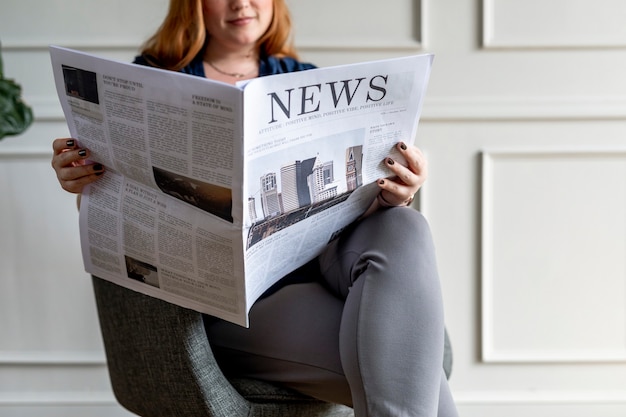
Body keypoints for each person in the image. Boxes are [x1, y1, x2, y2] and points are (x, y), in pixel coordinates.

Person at [50, 0, 458, 416]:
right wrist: (82, 181)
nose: (242, 2)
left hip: (327, 266)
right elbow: (123, 215)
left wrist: (394, 192)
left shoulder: (303, 80)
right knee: (407, 366)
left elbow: (347, 213)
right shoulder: (152, 80)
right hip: (235, 305)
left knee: (406, 225)